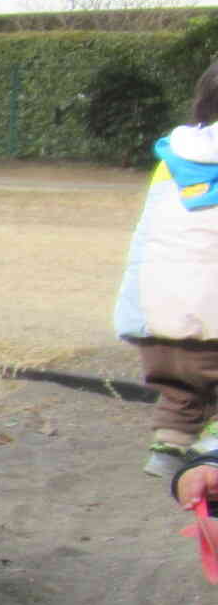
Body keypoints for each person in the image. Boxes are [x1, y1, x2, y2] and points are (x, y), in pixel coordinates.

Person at [114, 59, 218, 479]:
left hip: (156, 328)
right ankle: (210, 456)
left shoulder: (172, 159)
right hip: (211, 328)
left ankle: (169, 446)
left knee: (180, 393)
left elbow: (146, 241)